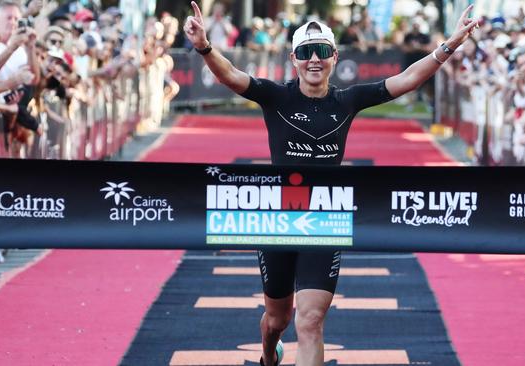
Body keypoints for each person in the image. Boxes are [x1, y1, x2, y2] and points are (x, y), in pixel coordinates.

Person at [184, 1, 479, 364]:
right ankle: (267, 353)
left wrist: (448, 45)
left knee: (310, 320)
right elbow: (230, 75)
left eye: (321, 51)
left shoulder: (347, 101)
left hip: (325, 219)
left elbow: (404, 81)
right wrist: (203, 46)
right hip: (275, 219)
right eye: (306, 52)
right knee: (279, 318)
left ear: (335, 57)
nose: (314, 60)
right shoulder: (275, 96)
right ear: (293, 58)